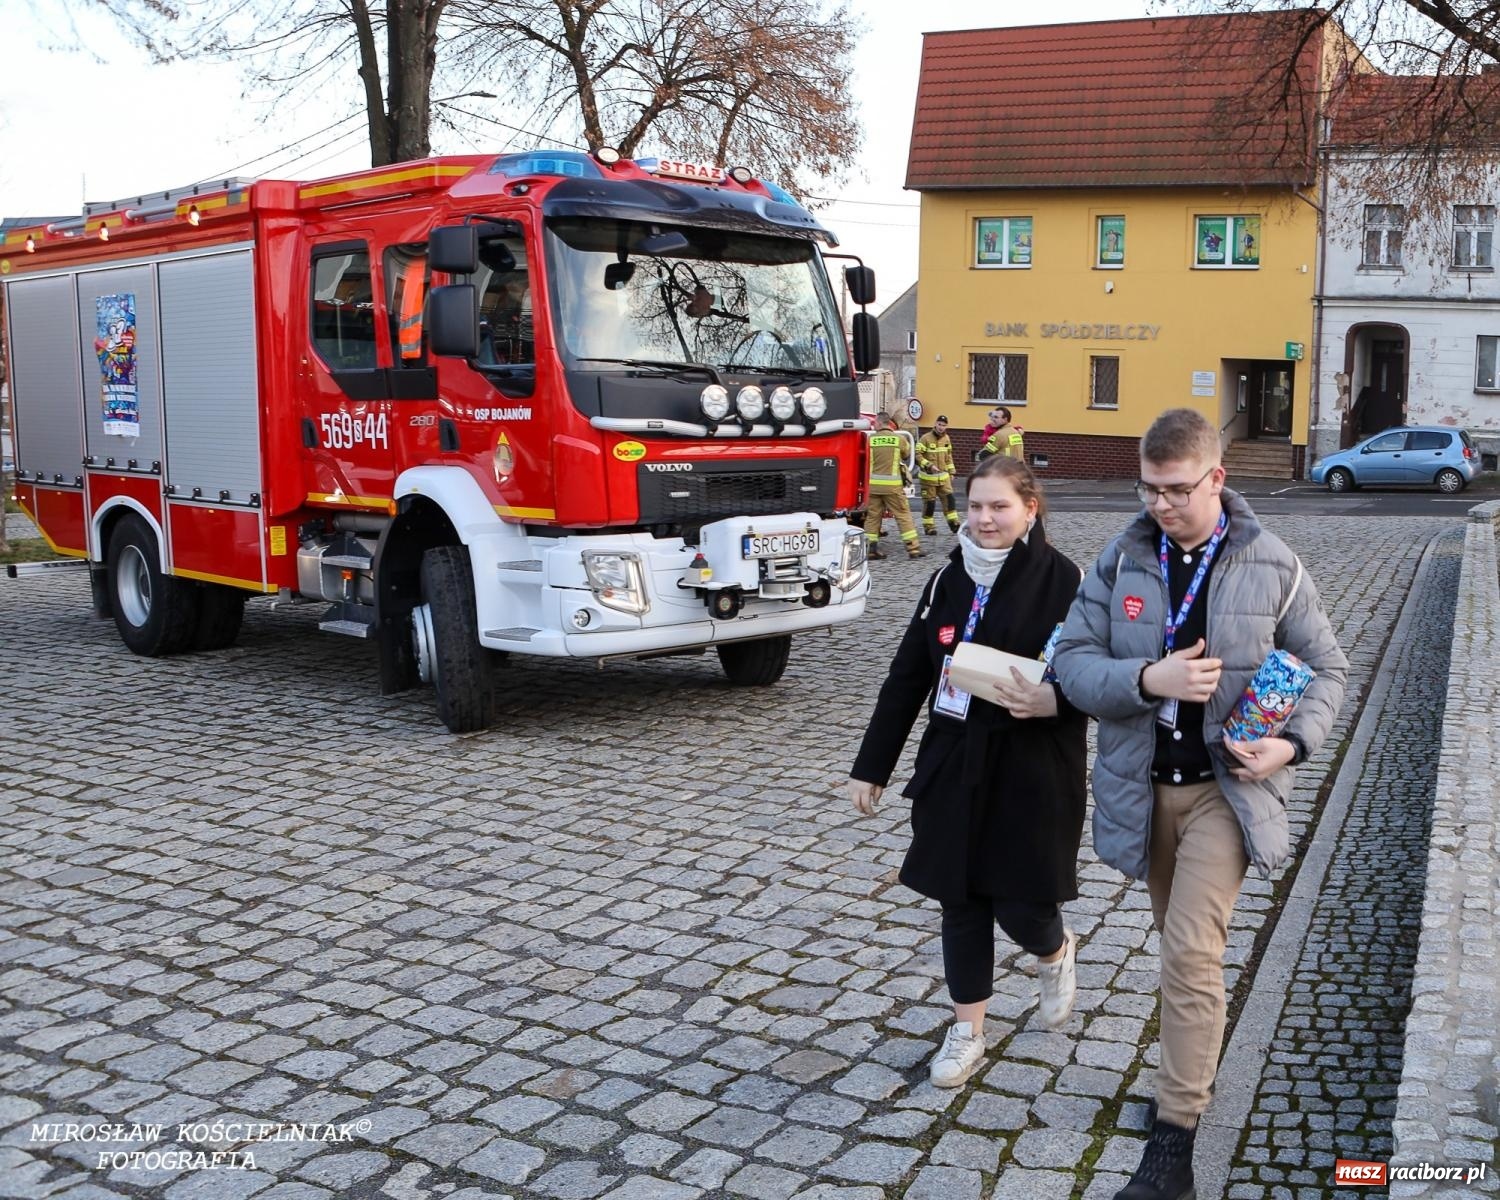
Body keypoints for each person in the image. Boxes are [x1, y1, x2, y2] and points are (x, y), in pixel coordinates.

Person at [1052, 408, 1347, 1200]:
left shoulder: (1273, 563)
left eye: (1177, 489)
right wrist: (1150, 681)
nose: (1160, 505)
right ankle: (1191, 1071)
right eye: (1149, 489)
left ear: (1217, 477)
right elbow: (1071, 665)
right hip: (1146, 796)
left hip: (1229, 792)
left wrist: (1292, 746)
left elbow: (1329, 670)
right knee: (1180, 951)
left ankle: (1174, 1144)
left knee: (1189, 952)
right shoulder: (1120, 560)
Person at [848, 455, 1087, 1088]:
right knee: (960, 898)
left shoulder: (1065, 580)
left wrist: (1054, 697)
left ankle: (1055, 950)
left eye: (999, 506)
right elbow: (907, 679)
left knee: (1022, 905)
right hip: (953, 761)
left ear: (1029, 510)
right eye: (976, 505)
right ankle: (968, 1030)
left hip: (1032, 765)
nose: (984, 518)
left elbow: (1091, 677)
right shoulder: (945, 582)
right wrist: (872, 766)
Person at [865, 414, 923, 560]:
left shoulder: (870, 440)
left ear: (879, 423)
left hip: (873, 487)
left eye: (875, 423)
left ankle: (870, 549)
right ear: (889, 424)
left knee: (872, 517)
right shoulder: (899, 439)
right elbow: (906, 454)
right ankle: (913, 548)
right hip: (893, 487)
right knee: (903, 515)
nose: (874, 426)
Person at [916, 414, 961, 535]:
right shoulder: (925, 438)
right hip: (928, 479)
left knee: (949, 500)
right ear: (935, 424)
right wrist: (929, 465)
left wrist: (951, 472)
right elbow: (918, 455)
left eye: (944, 425)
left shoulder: (947, 439)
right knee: (930, 503)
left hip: (944, 478)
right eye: (940, 424)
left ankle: (954, 524)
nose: (941, 427)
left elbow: (949, 456)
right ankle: (929, 527)